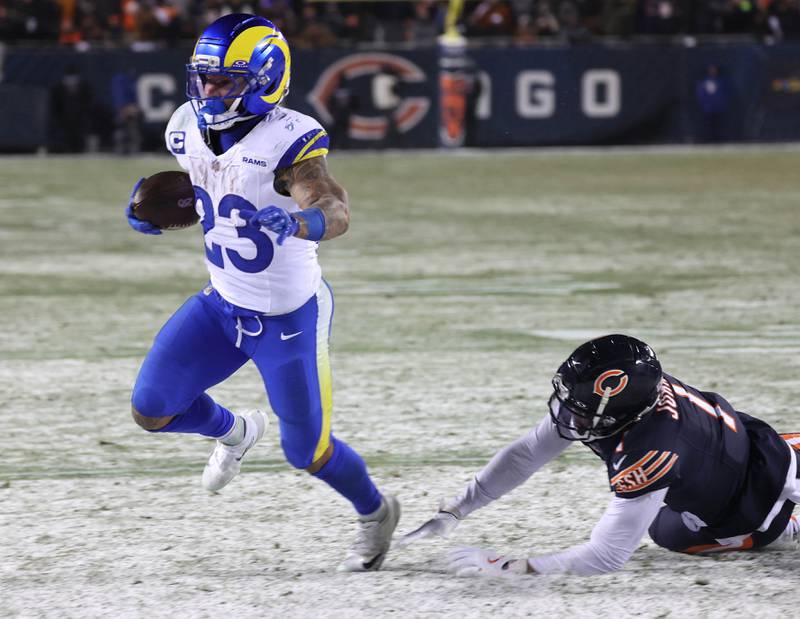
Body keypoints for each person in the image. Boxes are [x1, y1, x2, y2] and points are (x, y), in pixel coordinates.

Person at [124, 13, 400, 572]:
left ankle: (375, 513)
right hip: (222, 303)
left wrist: (304, 223)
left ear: (265, 79)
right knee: (151, 409)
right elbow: (210, 184)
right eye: (203, 79)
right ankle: (236, 430)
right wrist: (164, 206)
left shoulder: (289, 141)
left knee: (308, 453)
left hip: (288, 316)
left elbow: (333, 205)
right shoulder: (184, 125)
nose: (208, 91)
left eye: (223, 81)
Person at [400, 334, 800, 576]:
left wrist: (519, 567)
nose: (569, 413)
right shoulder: (634, 395)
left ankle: (790, 524)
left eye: (582, 407)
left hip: (750, 505)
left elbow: (606, 556)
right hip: (751, 439)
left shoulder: (652, 448)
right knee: (663, 527)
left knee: (673, 532)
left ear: (621, 410)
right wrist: (457, 508)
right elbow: (526, 454)